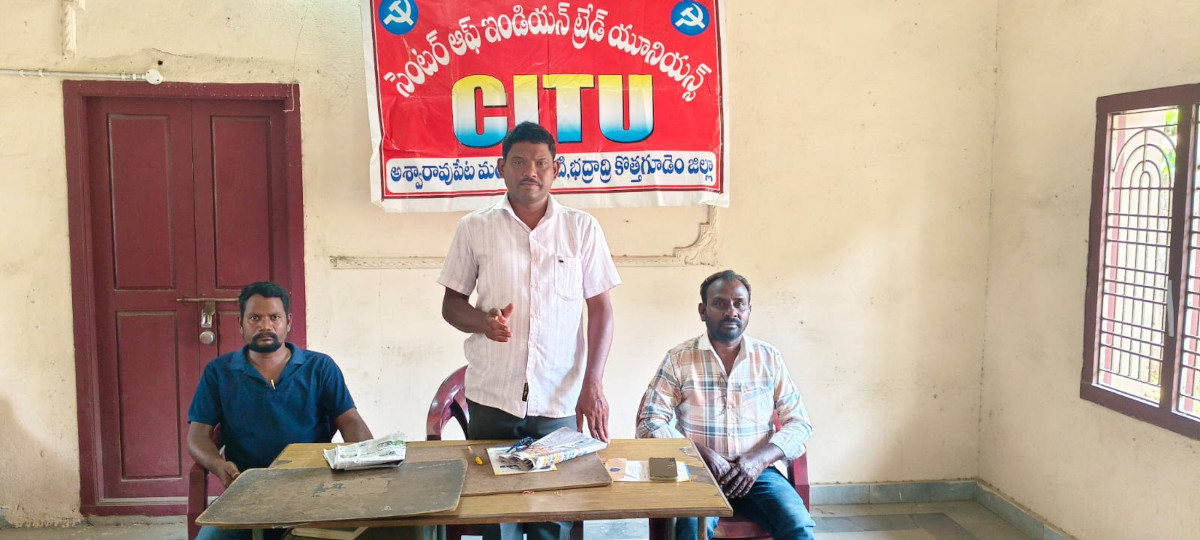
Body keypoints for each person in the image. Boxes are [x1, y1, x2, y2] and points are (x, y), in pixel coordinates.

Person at [438, 121, 620, 540]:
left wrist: (593, 383)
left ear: (556, 169)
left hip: (558, 400)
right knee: (495, 517)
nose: (530, 172)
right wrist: (483, 323)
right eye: (519, 162)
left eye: (541, 163)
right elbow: (451, 305)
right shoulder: (475, 227)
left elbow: (601, 310)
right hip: (493, 399)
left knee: (552, 516)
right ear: (501, 167)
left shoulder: (581, 228)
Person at [637, 270, 815, 540]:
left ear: (749, 310)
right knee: (690, 529)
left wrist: (758, 460)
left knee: (798, 525)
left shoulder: (769, 358)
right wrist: (701, 455)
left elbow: (799, 423)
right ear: (703, 311)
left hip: (759, 473)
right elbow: (650, 422)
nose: (731, 311)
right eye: (720, 304)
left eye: (739, 304)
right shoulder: (679, 359)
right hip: (698, 471)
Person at [188, 281, 373, 540]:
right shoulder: (219, 372)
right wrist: (218, 465)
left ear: (288, 322)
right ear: (240, 323)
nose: (265, 326)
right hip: (246, 492)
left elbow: (350, 420)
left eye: (274, 317)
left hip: (315, 490)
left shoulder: (320, 367)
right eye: (255, 318)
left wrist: (368, 462)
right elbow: (197, 435)